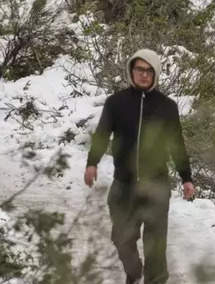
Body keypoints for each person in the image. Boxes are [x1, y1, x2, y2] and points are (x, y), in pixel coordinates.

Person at [84, 49, 194, 284]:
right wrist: (91, 163)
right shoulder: (116, 103)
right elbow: (102, 134)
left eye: (149, 71)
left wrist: (187, 178)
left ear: (155, 74)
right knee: (122, 238)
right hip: (123, 185)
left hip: (156, 185)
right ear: (131, 71)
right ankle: (133, 273)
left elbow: (177, 144)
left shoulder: (167, 107)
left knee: (155, 243)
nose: (143, 75)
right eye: (139, 69)